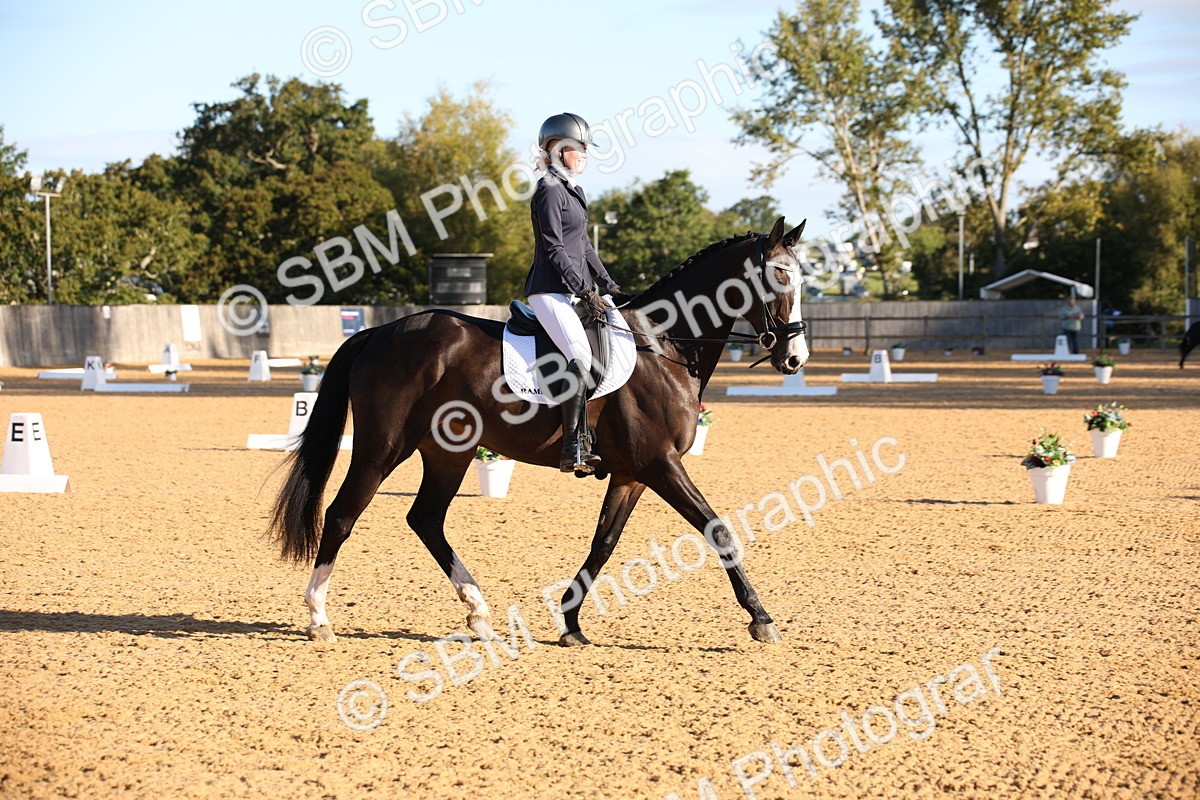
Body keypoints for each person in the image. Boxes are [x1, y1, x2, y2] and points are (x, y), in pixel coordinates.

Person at [525, 112, 622, 474]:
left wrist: (608, 284)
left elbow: (584, 246)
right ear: (557, 150)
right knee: (580, 355)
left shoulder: (574, 191)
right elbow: (554, 248)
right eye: (579, 149)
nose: (584, 155)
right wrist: (584, 288)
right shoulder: (548, 190)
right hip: (549, 291)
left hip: (574, 291)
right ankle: (572, 448)